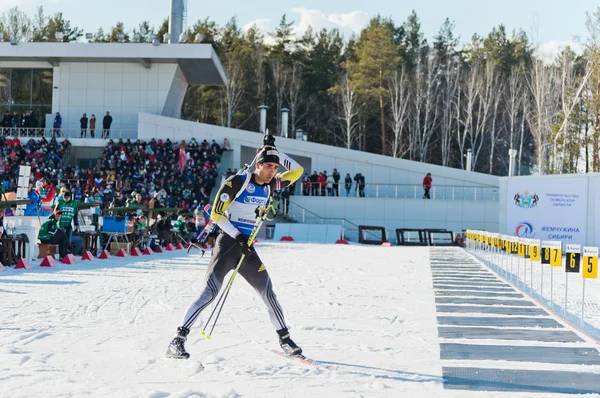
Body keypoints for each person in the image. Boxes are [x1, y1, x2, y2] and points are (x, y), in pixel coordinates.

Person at [166, 134, 304, 360]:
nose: (272, 170)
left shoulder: (271, 184)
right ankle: (177, 340)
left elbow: (297, 171)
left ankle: (285, 340)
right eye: (268, 166)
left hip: (246, 249)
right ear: (257, 165)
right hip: (228, 245)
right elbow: (216, 214)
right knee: (209, 294)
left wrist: (274, 151)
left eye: (275, 167)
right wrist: (238, 235)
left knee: (268, 293)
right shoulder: (237, 182)